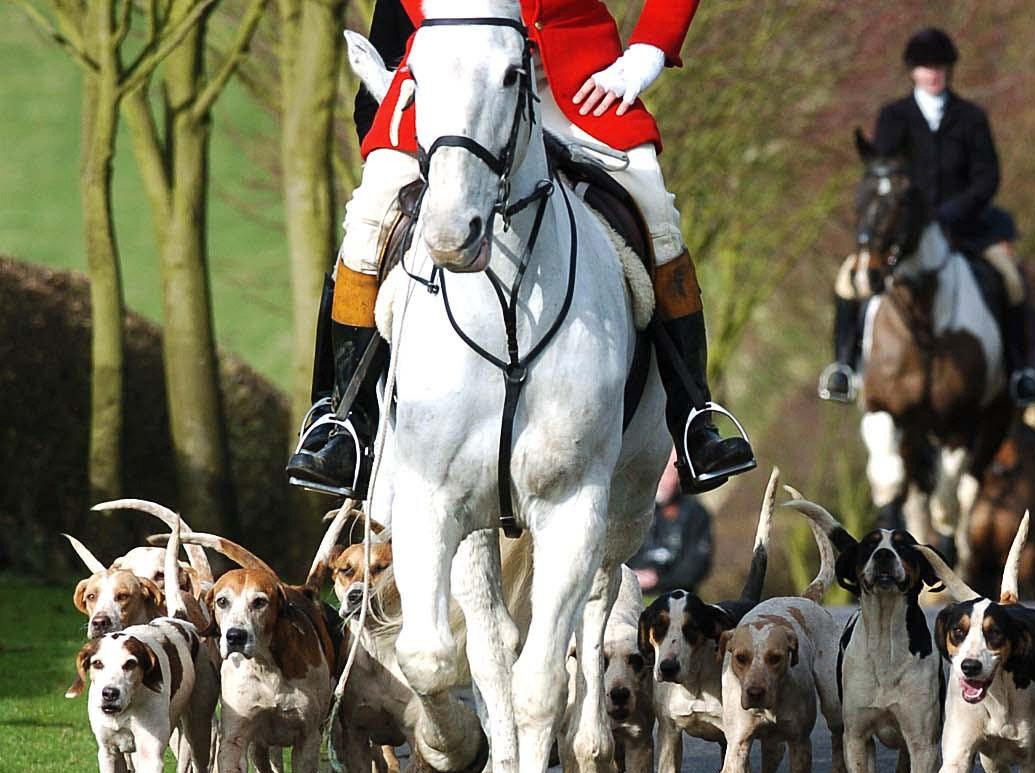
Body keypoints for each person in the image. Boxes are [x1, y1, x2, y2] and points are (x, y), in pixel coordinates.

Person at [286, 0, 756, 499]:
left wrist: (648, 50)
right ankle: (344, 423)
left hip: (576, 89)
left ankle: (694, 418)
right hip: (453, 89)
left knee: (658, 217)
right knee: (367, 220)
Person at [818, 27, 1035, 408]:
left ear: (949, 70)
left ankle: (1020, 372)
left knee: (1010, 280)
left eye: (939, 66)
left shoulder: (971, 117)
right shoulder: (893, 117)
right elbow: (883, 173)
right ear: (913, 72)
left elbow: (987, 177)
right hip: (902, 232)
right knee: (848, 280)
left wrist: (951, 213)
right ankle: (844, 366)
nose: (933, 73)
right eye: (925, 67)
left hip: (966, 227)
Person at [628, 453, 713, 596]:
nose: (664, 480)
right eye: (660, 472)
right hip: (630, 593)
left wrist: (658, 580)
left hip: (675, 598)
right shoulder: (632, 510)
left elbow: (696, 565)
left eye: (670, 473)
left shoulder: (694, 513)